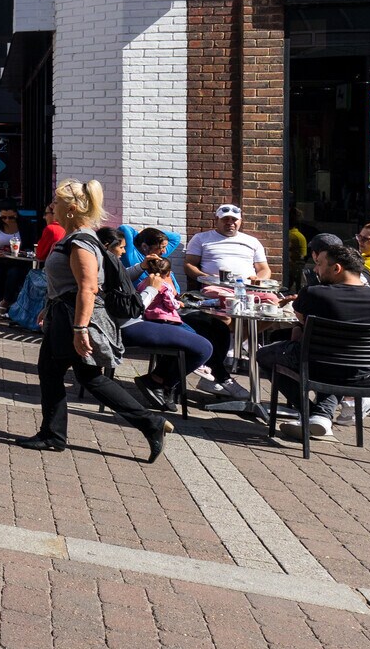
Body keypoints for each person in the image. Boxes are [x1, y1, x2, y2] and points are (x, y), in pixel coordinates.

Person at [14, 179, 168, 461]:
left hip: (73, 318)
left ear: (71, 209)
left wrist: (80, 328)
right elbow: (70, 284)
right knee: (73, 374)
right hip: (64, 313)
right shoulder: (80, 237)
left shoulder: (80, 242)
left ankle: (147, 423)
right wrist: (49, 306)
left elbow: (87, 288)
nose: (52, 208)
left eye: (57, 203)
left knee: (77, 375)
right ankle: (54, 434)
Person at [259, 243, 370, 440]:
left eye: (320, 264)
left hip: (316, 365)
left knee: (264, 354)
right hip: (361, 370)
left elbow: (300, 319)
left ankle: (311, 413)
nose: (316, 270)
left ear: (336, 268)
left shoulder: (314, 293)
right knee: (336, 364)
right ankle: (320, 416)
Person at [120, 245, 220, 410]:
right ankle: (163, 383)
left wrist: (142, 267)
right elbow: (138, 308)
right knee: (201, 345)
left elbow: (123, 277)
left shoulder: (138, 280)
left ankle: (162, 382)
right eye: (121, 246)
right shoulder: (157, 285)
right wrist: (156, 290)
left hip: (146, 318)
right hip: (135, 322)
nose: (124, 251)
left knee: (212, 329)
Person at [183, 204, 272, 289]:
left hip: (249, 287)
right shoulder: (200, 238)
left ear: (240, 221)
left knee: (271, 298)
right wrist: (207, 278)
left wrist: (258, 280)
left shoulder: (252, 241)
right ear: (216, 220)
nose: (230, 222)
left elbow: (264, 269)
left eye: (234, 219)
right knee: (220, 297)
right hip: (215, 287)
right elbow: (189, 264)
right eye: (225, 219)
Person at [0, 208, 30, 315]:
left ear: (16, 215)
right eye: (3, 217)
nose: (7, 220)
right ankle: (10, 300)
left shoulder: (25, 224)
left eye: (11, 217)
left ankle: (6, 302)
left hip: (17, 260)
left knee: (14, 273)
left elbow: (30, 244)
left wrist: (24, 252)